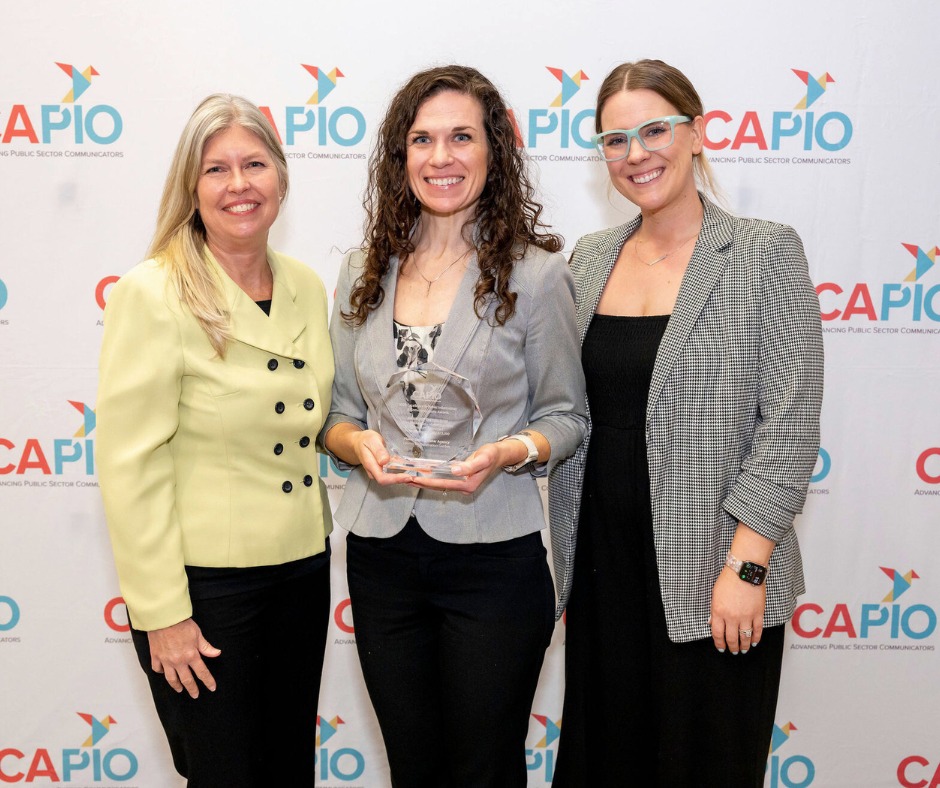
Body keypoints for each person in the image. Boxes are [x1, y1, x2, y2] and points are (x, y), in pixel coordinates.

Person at [550, 60, 824, 787]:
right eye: (614, 139)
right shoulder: (590, 258)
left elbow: (790, 425)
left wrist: (747, 565)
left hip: (715, 572)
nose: (635, 153)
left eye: (654, 129)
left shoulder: (764, 252)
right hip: (605, 567)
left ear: (696, 134)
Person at [321, 65, 587, 787]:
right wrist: (359, 446)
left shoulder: (535, 275)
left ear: (494, 150)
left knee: (483, 768)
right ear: (400, 157)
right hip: (382, 557)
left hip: (493, 561)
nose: (441, 157)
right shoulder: (361, 272)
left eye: (461, 137)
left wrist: (509, 451)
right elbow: (339, 418)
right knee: (414, 767)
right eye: (423, 139)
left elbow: (567, 417)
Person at [96, 94, 334, 787]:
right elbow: (129, 465)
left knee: (288, 770)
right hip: (203, 592)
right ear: (191, 188)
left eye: (255, 164)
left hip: (300, 571)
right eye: (217, 169)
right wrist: (162, 615)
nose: (239, 185)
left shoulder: (305, 286)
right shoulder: (154, 292)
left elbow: (317, 418)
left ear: (281, 178)